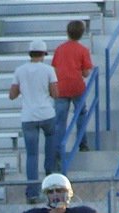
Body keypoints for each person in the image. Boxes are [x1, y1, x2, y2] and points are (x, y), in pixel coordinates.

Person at [8, 39, 58, 204]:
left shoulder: (20, 70)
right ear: (43, 54)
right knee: (50, 152)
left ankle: (32, 192)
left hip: (28, 116)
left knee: (32, 155)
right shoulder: (49, 70)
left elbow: (12, 95)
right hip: (46, 113)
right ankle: (52, 189)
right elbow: (55, 93)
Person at [51, 21, 93, 168]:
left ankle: (57, 148)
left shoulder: (60, 49)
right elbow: (86, 72)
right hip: (77, 85)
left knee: (60, 119)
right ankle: (83, 143)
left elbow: (55, 68)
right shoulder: (83, 50)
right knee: (81, 113)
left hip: (61, 86)